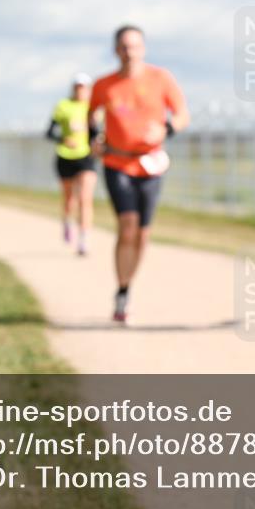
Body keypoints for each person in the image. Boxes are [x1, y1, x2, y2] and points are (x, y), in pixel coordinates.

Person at [89, 25, 190, 324]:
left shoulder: (161, 79)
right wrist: (95, 137)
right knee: (127, 224)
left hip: (151, 163)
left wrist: (166, 128)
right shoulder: (104, 85)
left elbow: (183, 115)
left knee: (143, 233)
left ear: (143, 48)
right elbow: (91, 115)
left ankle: (127, 286)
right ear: (116, 50)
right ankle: (121, 290)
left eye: (134, 46)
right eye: (123, 46)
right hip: (117, 163)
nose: (129, 51)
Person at [47, 73, 97, 256]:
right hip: (65, 156)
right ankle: (67, 222)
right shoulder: (63, 106)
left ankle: (84, 239)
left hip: (86, 158)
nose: (80, 90)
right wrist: (63, 139)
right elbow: (49, 132)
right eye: (78, 87)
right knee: (70, 200)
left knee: (85, 199)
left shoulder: (93, 108)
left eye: (84, 87)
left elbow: (96, 133)